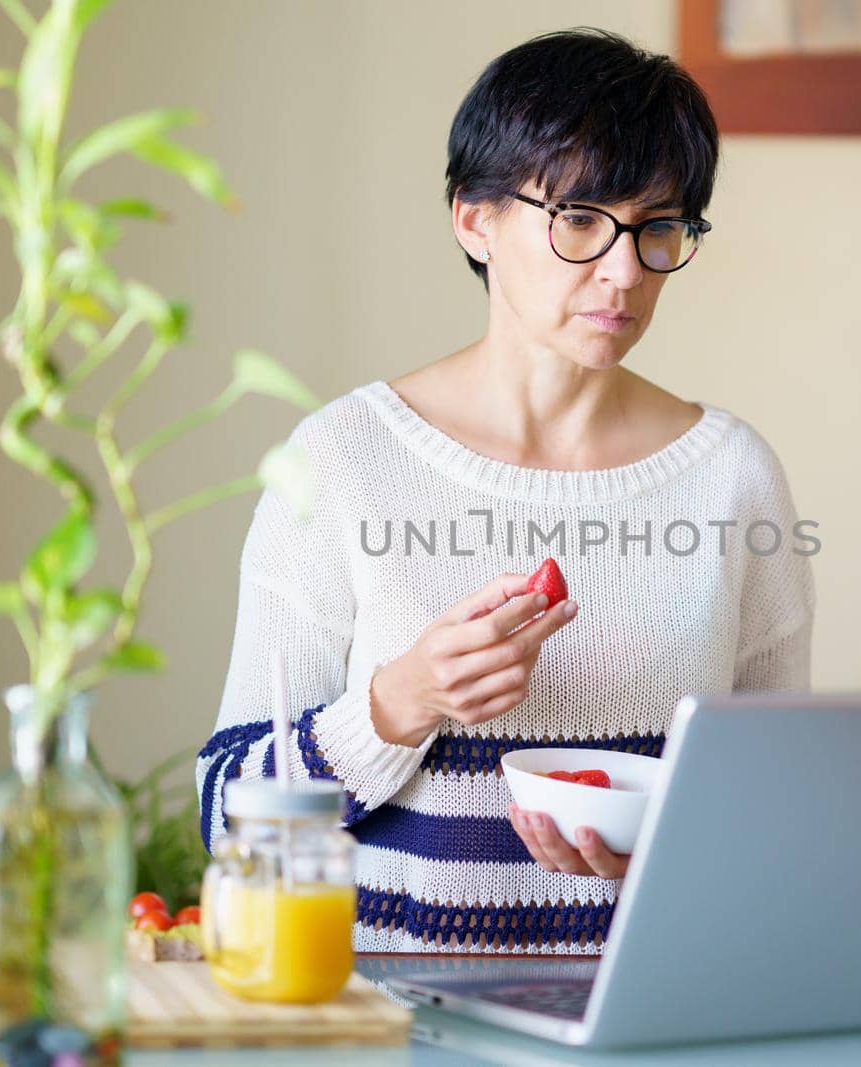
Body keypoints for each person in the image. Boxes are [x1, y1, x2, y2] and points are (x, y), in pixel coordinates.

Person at [196, 27, 816, 953]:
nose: (624, 270)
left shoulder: (732, 475)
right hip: (394, 1021)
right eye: (579, 219)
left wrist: (668, 854)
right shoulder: (342, 462)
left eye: (658, 227)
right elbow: (224, 815)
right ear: (474, 219)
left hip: (643, 1012)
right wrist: (394, 705)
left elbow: (780, 809)